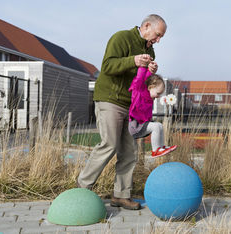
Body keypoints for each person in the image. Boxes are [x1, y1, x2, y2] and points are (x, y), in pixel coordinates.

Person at [77, 14, 167, 210]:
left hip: (130, 105)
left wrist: (150, 71)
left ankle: (121, 195)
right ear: (146, 26)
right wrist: (133, 61)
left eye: (161, 37)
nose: (158, 40)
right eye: (157, 35)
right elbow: (107, 67)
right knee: (109, 143)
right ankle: (81, 188)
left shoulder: (150, 51)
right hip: (110, 99)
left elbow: (139, 83)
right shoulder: (121, 38)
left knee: (129, 151)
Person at [128, 67, 177, 157]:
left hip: (143, 124)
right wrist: (143, 67)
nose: (158, 96)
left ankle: (161, 147)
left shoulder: (150, 97)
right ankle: (155, 150)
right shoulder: (139, 91)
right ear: (150, 87)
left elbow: (148, 79)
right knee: (156, 127)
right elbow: (140, 78)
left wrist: (150, 71)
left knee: (159, 125)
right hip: (135, 126)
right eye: (158, 93)